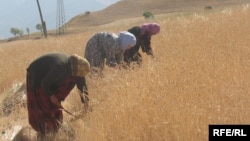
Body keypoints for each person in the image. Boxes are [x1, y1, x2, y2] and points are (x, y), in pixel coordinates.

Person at [26, 52, 90, 140]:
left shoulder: (76, 66)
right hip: (38, 77)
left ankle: (53, 130)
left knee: (54, 109)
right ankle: (43, 134)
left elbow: (82, 84)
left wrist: (86, 102)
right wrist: (52, 96)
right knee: (42, 109)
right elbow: (45, 83)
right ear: (75, 69)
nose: (79, 76)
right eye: (79, 74)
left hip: (49, 81)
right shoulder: (61, 68)